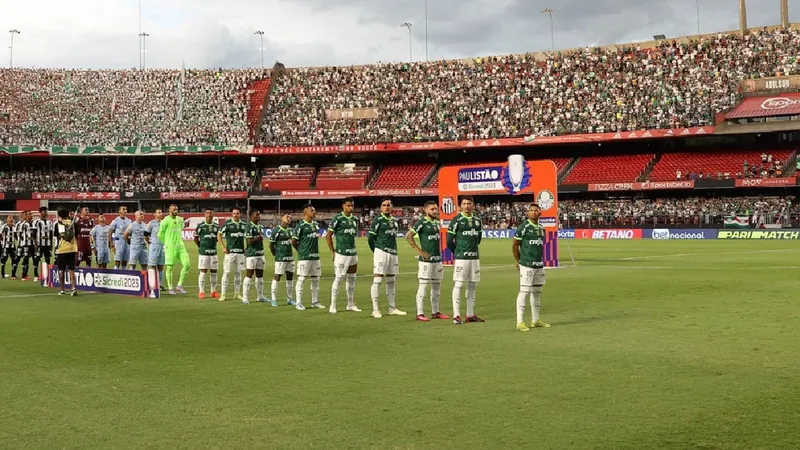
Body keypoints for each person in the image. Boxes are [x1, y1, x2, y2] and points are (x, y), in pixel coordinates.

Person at [406, 200, 449, 322]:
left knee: (436, 287)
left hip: (437, 260)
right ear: (425, 210)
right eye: (432, 209)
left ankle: (435, 312)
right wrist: (419, 251)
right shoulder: (422, 222)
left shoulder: (436, 222)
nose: (434, 211)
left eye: (436, 209)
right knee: (423, 287)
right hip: (426, 261)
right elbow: (408, 236)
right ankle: (420, 313)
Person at [512, 204, 550, 331]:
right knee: (524, 291)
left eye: (536, 211)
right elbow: (515, 245)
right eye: (531, 211)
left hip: (538, 264)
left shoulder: (541, 228)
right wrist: (519, 261)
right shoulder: (523, 227)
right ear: (528, 213)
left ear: (540, 213)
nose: (533, 212)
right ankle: (520, 322)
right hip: (527, 264)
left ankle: (535, 320)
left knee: (537, 292)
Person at [447, 196, 484, 325]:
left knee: (473, 285)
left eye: (469, 203)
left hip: (474, 257)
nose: (467, 206)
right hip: (462, 258)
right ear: (460, 206)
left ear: (473, 205)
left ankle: (470, 314)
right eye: (464, 203)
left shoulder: (477, 221)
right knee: (459, 284)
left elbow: (478, 239)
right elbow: (449, 241)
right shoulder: (456, 220)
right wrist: (456, 252)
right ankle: (456, 315)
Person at [367, 198, 406, 318]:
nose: (387, 207)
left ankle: (392, 308)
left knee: (391, 281)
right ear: (381, 207)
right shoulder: (377, 220)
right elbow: (370, 239)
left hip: (393, 253)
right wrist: (377, 251)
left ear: (392, 207)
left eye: (388, 205)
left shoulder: (394, 221)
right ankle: (375, 309)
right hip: (381, 252)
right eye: (384, 205)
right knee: (378, 280)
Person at [325, 197, 361, 314]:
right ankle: (332, 305)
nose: (350, 208)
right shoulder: (338, 218)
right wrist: (333, 251)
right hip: (341, 254)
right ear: (343, 206)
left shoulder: (355, 219)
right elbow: (328, 235)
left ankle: (350, 304)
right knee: (339, 278)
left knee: (352, 279)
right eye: (348, 206)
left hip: (353, 253)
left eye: (352, 206)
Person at [292, 205, 324, 310]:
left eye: (314, 210)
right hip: (305, 257)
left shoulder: (315, 225)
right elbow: (294, 241)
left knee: (316, 279)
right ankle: (298, 302)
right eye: (312, 210)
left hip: (315, 256)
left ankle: (314, 301)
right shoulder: (300, 226)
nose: (314, 212)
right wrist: (301, 251)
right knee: (301, 279)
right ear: (305, 212)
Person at [158, 204, 191, 295]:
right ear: (169, 210)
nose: (176, 211)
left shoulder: (180, 220)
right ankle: (170, 288)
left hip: (180, 246)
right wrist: (167, 243)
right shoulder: (165, 221)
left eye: (177, 209)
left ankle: (179, 285)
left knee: (187, 264)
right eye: (174, 209)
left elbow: (182, 226)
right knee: (169, 267)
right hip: (170, 247)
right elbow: (160, 234)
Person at [217, 207, 246, 302]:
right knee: (227, 273)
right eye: (233, 213)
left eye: (237, 213)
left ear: (240, 214)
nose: (235, 215)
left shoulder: (243, 224)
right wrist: (223, 247)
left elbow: (249, 236)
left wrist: (247, 248)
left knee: (238, 273)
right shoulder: (228, 224)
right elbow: (219, 235)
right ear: (231, 214)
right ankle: (223, 294)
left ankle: (237, 294)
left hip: (240, 253)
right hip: (230, 253)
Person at [243, 209, 270, 305]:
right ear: (251, 216)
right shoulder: (249, 226)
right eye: (256, 215)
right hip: (252, 255)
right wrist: (258, 238)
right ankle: (245, 297)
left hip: (260, 254)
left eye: (259, 214)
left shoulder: (260, 226)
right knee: (249, 275)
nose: (259, 216)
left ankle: (260, 296)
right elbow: (249, 241)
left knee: (260, 276)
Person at [269, 213, 295, 306]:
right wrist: (276, 255)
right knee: (277, 277)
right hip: (280, 258)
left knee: (290, 278)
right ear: (282, 218)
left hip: (290, 258)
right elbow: (271, 245)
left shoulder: (291, 231)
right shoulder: (277, 231)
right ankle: (273, 299)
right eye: (287, 217)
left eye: (290, 217)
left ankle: (290, 299)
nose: (289, 218)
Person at [195, 209, 220, 299]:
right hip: (203, 253)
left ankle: (213, 291)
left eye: (211, 213)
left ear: (213, 214)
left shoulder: (216, 226)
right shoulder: (201, 226)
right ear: (205, 214)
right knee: (203, 271)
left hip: (213, 253)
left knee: (214, 272)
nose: (209, 215)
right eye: (207, 213)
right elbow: (196, 238)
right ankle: (201, 291)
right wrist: (201, 247)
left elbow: (218, 238)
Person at [53, 208, 78, 296]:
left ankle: (62, 289)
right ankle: (73, 288)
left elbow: (57, 236)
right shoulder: (72, 223)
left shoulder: (58, 224)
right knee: (71, 270)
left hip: (62, 249)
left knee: (61, 270)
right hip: (72, 248)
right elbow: (76, 234)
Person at [145, 209, 166, 296]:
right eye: (159, 212)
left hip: (163, 246)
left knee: (160, 266)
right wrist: (149, 242)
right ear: (154, 214)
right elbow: (146, 234)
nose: (161, 214)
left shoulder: (164, 223)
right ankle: (152, 285)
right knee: (153, 265)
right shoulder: (151, 223)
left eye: (161, 212)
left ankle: (160, 284)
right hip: (154, 246)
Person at [32, 206, 53, 282]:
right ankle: (35, 275)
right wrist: (35, 244)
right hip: (40, 244)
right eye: (44, 211)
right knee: (37, 258)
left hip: (47, 244)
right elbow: (33, 234)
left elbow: (51, 234)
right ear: (40, 213)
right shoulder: (37, 222)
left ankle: (47, 274)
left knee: (48, 259)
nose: (46, 213)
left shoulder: (49, 222)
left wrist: (51, 244)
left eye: (46, 211)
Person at [14, 211, 34, 281]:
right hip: (22, 244)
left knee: (27, 258)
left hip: (31, 244)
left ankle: (25, 274)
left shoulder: (32, 223)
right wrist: (21, 241)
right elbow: (17, 234)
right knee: (19, 258)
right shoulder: (20, 224)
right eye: (29, 214)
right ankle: (14, 274)